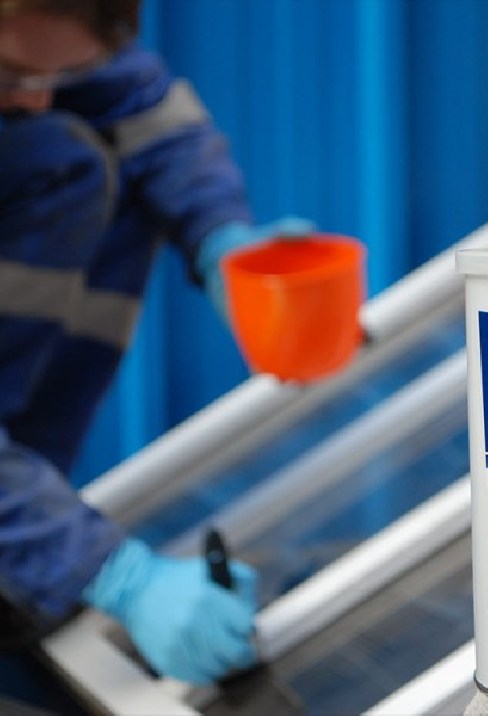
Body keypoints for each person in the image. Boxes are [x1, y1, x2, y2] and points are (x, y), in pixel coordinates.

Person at [0, 0, 309, 693]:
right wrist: (112, 573)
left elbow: (148, 114)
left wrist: (221, 238)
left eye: (59, 75)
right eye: (12, 74)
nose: (37, 98)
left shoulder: (45, 39)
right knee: (62, 159)